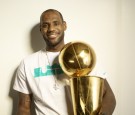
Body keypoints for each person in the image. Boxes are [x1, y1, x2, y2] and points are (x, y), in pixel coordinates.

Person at [13, 9, 116, 115]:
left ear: (64, 26)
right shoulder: (27, 64)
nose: (51, 29)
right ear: (41, 29)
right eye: (45, 25)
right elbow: (24, 107)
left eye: (56, 23)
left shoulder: (83, 55)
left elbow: (109, 96)